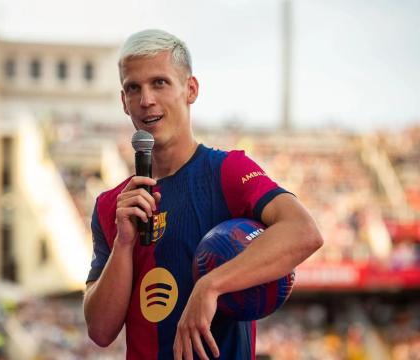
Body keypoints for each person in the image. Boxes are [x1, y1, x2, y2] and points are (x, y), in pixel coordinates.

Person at [83, 29, 323, 360]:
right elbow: (99, 331)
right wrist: (124, 243)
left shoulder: (228, 171)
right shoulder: (112, 205)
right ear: (124, 102)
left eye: (160, 83)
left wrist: (211, 286)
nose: (146, 99)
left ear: (190, 89)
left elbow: (304, 232)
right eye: (133, 88)